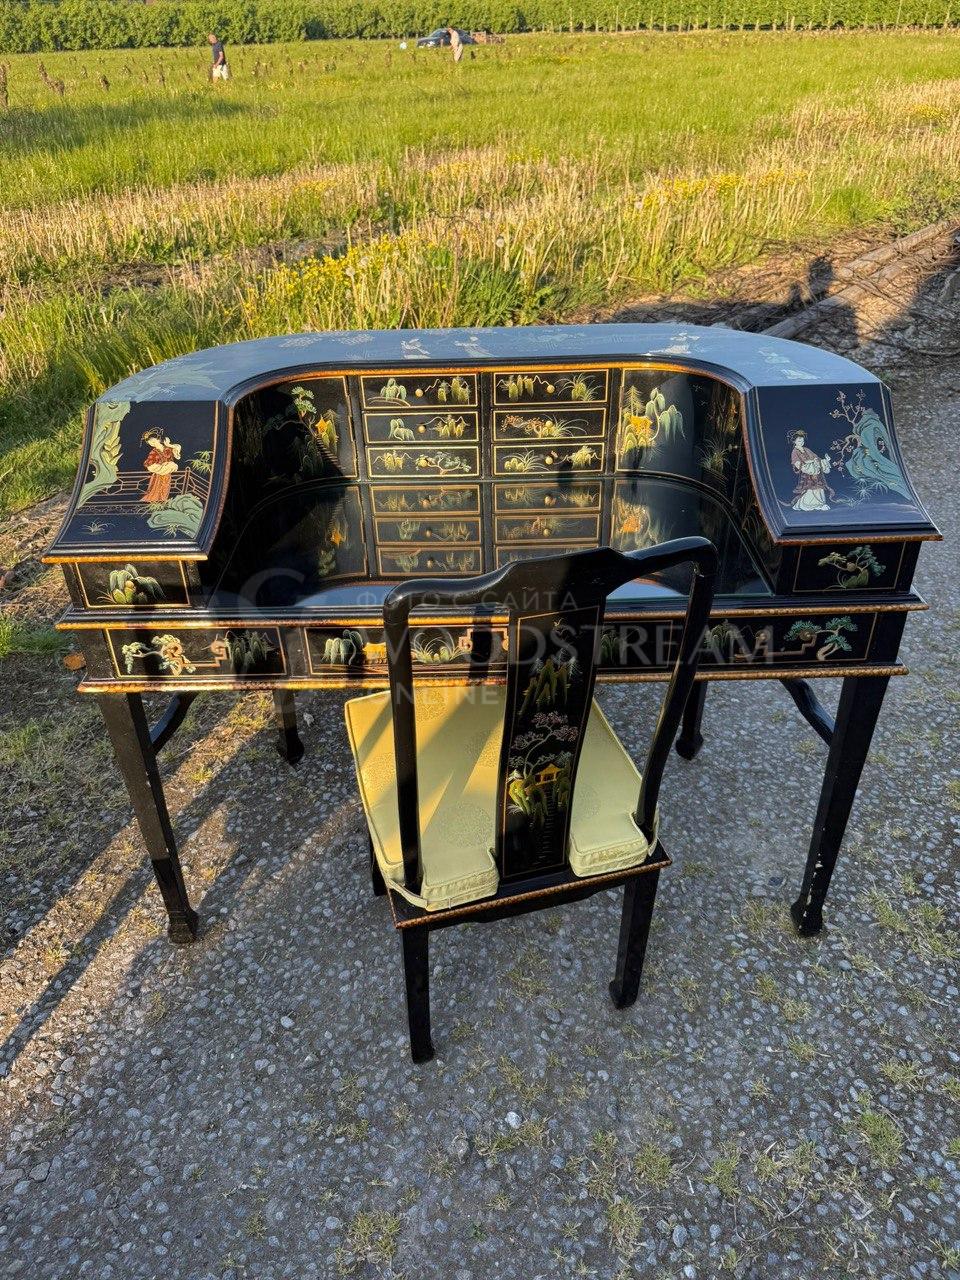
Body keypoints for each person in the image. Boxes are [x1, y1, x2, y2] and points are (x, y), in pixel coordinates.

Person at [789, 429, 832, 512]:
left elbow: (816, 458)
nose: (801, 442)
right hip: (808, 472)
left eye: (802, 441)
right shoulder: (795, 452)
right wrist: (808, 464)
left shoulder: (806, 449)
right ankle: (809, 505)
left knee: (819, 488)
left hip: (815, 471)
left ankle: (820, 504)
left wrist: (825, 460)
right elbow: (797, 463)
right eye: (799, 441)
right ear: (794, 441)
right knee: (810, 489)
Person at [140, 430, 181, 503]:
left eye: (153, 441)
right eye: (150, 443)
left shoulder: (167, 448)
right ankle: (155, 503)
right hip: (158, 474)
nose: (152, 444)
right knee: (156, 490)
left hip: (167, 473)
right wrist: (162, 466)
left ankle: (162, 502)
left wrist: (169, 445)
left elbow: (177, 450)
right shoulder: (153, 452)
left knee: (165, 488)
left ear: (158, 439)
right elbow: (149, 464)